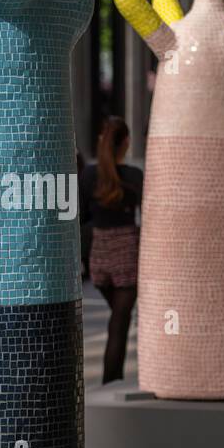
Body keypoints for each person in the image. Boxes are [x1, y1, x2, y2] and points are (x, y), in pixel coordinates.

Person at [80, 116, 142, 385]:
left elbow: (80, 216)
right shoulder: (134, 176)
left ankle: (112, 379)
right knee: (119, 323)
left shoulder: (89, 176)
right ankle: (111, 380)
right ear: (126, 142)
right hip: (126, 254)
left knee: (117, 319)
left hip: (99, 256)